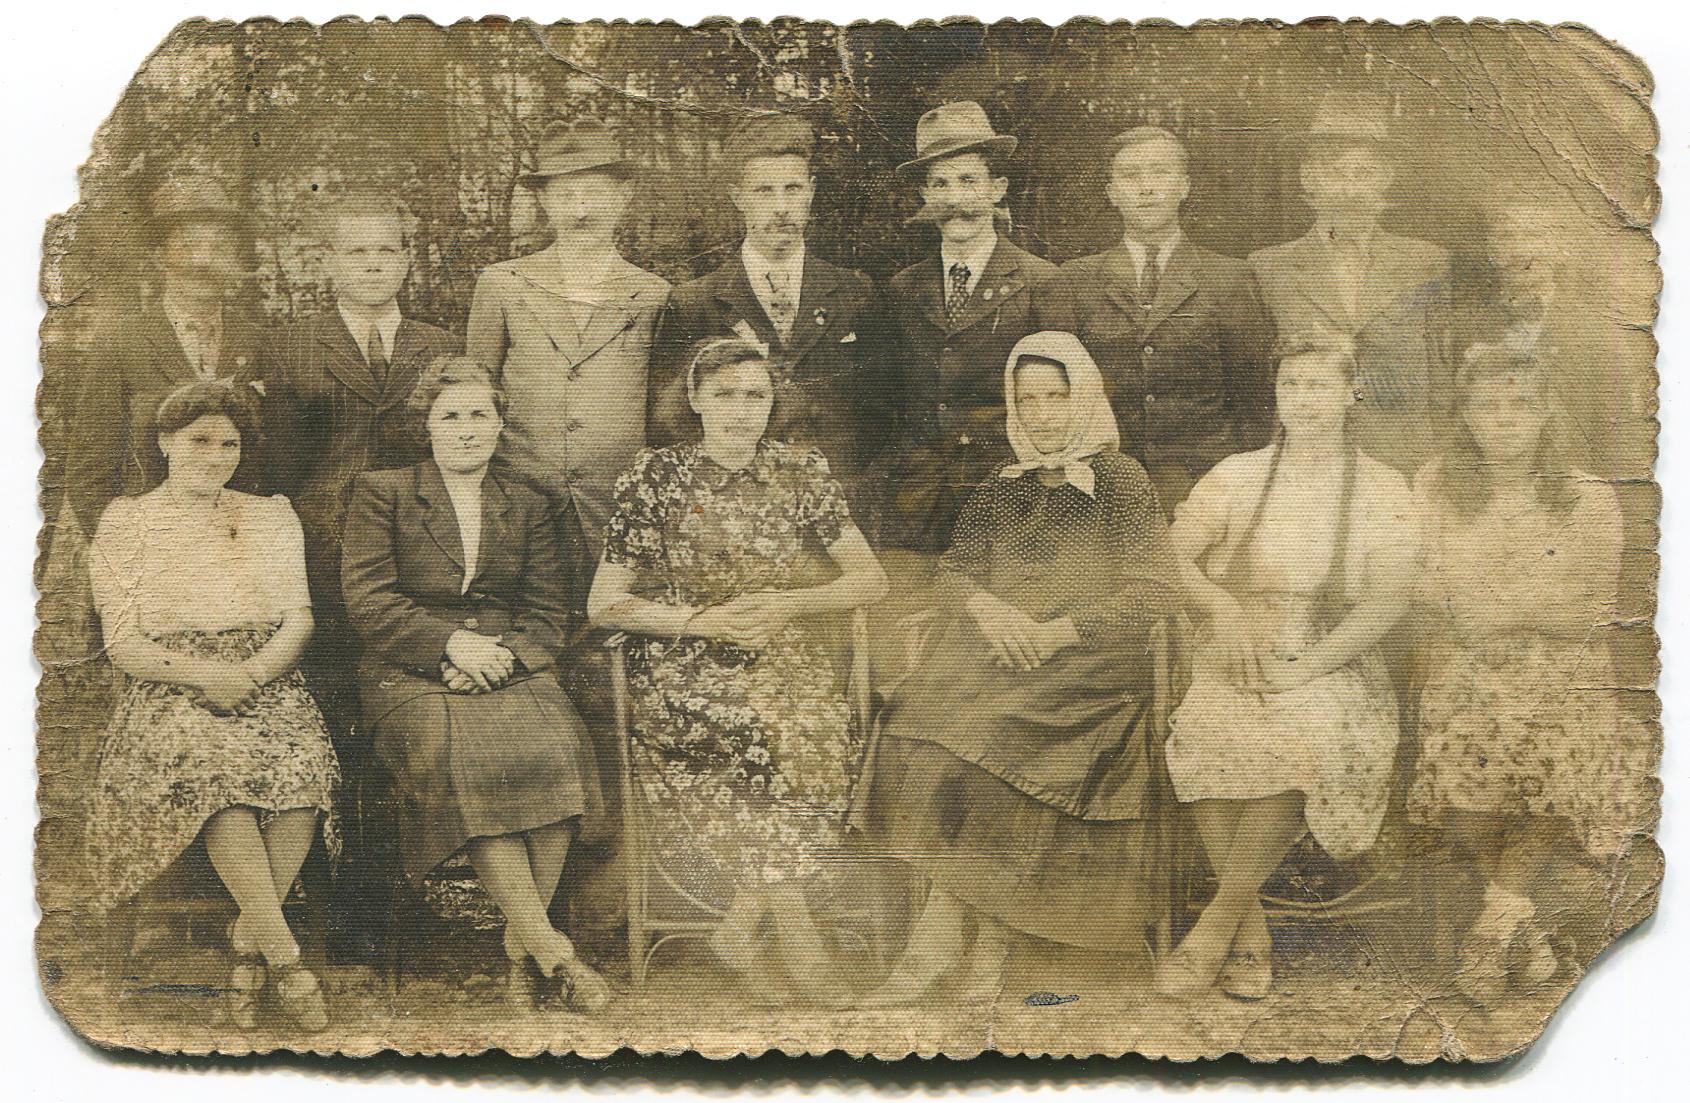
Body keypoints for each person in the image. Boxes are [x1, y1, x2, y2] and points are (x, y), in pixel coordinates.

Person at [852, 331, 1177, 1007]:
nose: (1043, 415)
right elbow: (953, 571)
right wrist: (986, 608)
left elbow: (1154, 591)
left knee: (990, 732)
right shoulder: (1002, 485)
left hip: (1092, 668)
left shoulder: (1121, 480)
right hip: (1005, 659)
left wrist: (1057, 632)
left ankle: (949, 945)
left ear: (1084, 396)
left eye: (1057, 397)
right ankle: (971, 942)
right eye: (1028, 401)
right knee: (916, 723)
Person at [588, 337, 889, 1004]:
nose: (741, 410)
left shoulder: (800, 470)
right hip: (685, 663)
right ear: (694, 399)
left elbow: (871, 579)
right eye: (724, 394)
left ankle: (741, 924)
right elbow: (604, 602)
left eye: (756, 395)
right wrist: (702, 621)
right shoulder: (657, 477)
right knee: (750, 728)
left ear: (773, 402)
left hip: (784, 654)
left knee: (816, 727)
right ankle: (801, 941)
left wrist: (788, 604)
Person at [339, 360, 610, 1013]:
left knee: (558, 751)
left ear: (499, 424)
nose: (466, 429)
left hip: (509, 663)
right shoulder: (383, 492)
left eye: (479, 415)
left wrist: (504, 658)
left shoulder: (527, 501)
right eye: (451, 416)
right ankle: (553, 955)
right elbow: (370, 601)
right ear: (426, 426)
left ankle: (522, 948)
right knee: (468, 762)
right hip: (409, 669)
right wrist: (450, 647)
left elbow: (547, 612)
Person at [1158, 337, 1418, 1000]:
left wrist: (1307, 668)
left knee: (1301, 739)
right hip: (1240, 643)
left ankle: (1218, 924)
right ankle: (1249, 931)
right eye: (1291, 385)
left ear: (1351, 393)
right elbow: (1169, 556)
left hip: (1333, 654)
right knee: (1205, 731)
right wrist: (1220, 607)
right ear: (1275, 395)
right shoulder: (1237, 474)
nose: (1304, 401)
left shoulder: (1383, 485)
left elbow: (1390, 598)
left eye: (1319, 385)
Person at [83, 380, 339, 1033]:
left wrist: (251, 673)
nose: (215, 455)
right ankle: (286, 962)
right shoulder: (128, 521)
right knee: (215, 772)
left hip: (263, 674)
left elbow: (299, 619)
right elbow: (123, 643)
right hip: (168, 683)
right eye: (200, 440)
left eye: (229, 444)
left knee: (304, 767)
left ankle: (250, 942)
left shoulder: (269, 514)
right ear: (166, 441)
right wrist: (207, 675)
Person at [1406, 345, 1650, 1002]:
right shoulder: (1435, 485)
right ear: (1465, 415)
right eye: (1488, 405)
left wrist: (1499, 609)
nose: (1505, 419)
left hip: (1564, 673)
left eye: (1521, 403)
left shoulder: (1589, 497)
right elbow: (1426, 589)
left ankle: (1491, 934)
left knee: (1557, 737)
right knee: (1464, 763)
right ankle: (1527, 930)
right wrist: (1515, 607)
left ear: (1546, 413)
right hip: (1467, 667)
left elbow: (1591, 609)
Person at [254, 191, 460, 962]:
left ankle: (395, 898)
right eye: (356, 251)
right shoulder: (290, 346)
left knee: (398, 719)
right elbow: (277, 470)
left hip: (413, 565)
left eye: (386, 251)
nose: (373, 265)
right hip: (321, 562)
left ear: (406, 261)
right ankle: (327, 901)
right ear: (330, 262)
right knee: (328, 719)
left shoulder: (440, 344)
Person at [1032, 126, 1276, 514]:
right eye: (1130, 175)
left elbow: (1253, 398)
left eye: (1160, 172)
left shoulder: (1230, 277)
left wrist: (1240, 486)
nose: (1146, 188)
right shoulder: (1076, 280)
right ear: (1111, 193)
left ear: (1184, 186)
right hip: (1102, 485)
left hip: (1206, 485)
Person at [650, 115, 892, 504]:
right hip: (733, 508)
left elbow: (883, 412)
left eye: (792, 189)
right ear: (738, 197)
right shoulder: (694, 303)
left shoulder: (856, 293)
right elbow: (671, 424)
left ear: (811, 192)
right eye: (764, 191)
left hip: (839, 502)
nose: (781, 207)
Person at [466, 119, 671, 558]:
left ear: (623, 195)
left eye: (594, 193)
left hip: (620, 505)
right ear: (543, 200)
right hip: (521, 504)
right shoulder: (503, 284)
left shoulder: (654, 295)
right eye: (565, 195)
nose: (581, 211)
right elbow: (477, 396)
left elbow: (664, 411)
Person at [878, 101, 1058, 563]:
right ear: (924, 195)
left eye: (968, 181)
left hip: (1009, 489)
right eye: (940, 184)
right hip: (919, 498)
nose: (956, 200)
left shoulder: (1040, 281)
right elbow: (888, 398)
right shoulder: (902, 288)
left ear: (998, 188)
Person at [1248, 91, 1452, 475]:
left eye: (1364, 173)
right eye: (1335, 173)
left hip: (1402, 455)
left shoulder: (1426, 263)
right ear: (1309, 179)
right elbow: (1256, 383)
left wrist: (1439, 461)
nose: (1350, 190)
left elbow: (1441, 377)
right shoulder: (1268, 268)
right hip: (1304, 458)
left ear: (1386, 178)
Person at [66, 175, 263, 537]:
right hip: (148, 543)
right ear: (160, 256)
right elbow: (90, 474)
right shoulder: (121, 343)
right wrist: (123, 551)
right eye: (188, 246)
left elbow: (273, 463)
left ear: (235, 260)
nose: (203, 260)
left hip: (235, 545)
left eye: (220, 248)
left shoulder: (258, 341)